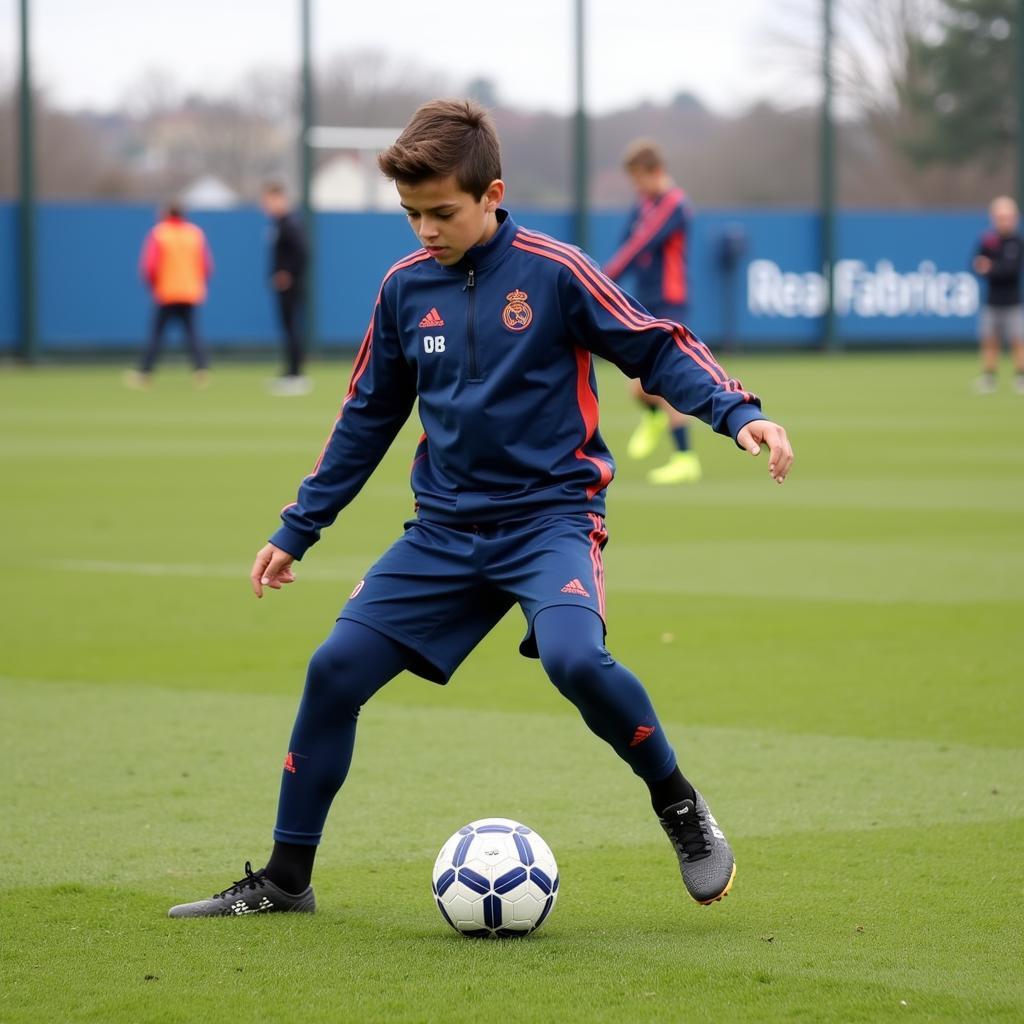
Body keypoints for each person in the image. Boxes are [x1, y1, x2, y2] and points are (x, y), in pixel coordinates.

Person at [167, 100, 793, 919]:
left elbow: (655, 342)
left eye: (442, 212)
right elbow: (365, 417)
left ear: (492, 193)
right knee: (333, 672)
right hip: (444, 533)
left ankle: (677, 802)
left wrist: (737, 412)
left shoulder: (555, 270)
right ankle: (287, 879)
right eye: (411, 214)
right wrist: (298, 530)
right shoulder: (403, 290)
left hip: (549, 522)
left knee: (575, 660)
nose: (425, 229)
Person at [604, 140, 699, 484]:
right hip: (645, 300)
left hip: (669, 301)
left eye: (640, 180)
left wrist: (603, 279)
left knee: (668, 378)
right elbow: (626, 238)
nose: (637, 188)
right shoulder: (643, 202)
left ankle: (686, 458)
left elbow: (640, 244)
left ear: (656, 172)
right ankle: (655, 417)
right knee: (639, 387)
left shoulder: (676, 205)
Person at [126, 203, 213, 390]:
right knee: (192, 334)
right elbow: (206, 265)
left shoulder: (159, 233)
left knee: (157, 335)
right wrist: (198, 283)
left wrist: (153, 286)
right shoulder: (194, 234)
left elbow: (149, 266)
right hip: (190, 291)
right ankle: (201, 371)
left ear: (166, 213)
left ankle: (145, 373)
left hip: (166, 292)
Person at [261, 183, 311, 396]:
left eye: (270, 200)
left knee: (292, 328)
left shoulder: (290, 223)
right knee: (288, 328)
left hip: (291, 286)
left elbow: (303, 252)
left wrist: (288, 274)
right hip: (283, 286)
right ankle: (290, 371)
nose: (267, 205)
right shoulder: (279, 224)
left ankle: (296, 374)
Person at [973, 195, 1024, 394]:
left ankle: (1020, 376)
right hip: (992, 300)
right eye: (1000, 217)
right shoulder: (988, 240)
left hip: (1013, 300)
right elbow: (975, 264)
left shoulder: (1017, 242)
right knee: (989, 340)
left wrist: (991, 267)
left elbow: (1011, 270)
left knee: (1018, 340)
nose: (1004, 221)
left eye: (1008, 217)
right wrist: (987, 267)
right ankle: (989, 377)